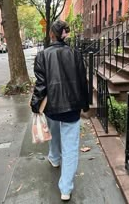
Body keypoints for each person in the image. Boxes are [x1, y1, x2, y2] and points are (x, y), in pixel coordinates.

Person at [30, 20, 89, 201]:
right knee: (70, 147)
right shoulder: (76, 54)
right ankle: (66, 188)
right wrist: (85, 104)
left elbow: (41, 85)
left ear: (51, 34)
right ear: (64, 34)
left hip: (52, 107)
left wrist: (35, 104)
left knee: (54, 133)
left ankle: (54, 158)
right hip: (72, 108)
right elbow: (82, 81)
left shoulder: (42, 55)